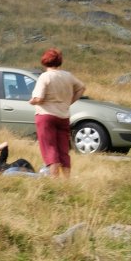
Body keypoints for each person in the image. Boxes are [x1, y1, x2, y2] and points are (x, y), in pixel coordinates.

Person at [29, 48, 86, 178]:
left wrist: (32, 101)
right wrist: (69, 101)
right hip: (63, 116)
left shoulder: (45, 77)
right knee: (63, 149)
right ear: (59, 61)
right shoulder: (68, 76)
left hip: (46, 115)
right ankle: (66, 179)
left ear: (44, 61)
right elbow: (82, 88)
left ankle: (54, 178)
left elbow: (39, 98)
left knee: (49, 148)